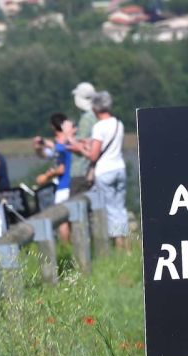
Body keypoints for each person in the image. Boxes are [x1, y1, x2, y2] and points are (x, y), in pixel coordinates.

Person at [85, 90, 127, 249]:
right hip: (120, 167)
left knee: (110, 210)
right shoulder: (118, 124)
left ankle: (119, 246)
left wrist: (82, 149)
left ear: (95, 108)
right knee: (120, 208)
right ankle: (127, 244)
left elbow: (93, 155)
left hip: (105, 170)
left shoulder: (99, 127)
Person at [35, 113, 74, 241]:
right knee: (73, 219)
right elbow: (49, 152)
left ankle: (65, 249)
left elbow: (61, 168)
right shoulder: (70, 142)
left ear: (53, 127)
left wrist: (46, 176)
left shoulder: (61, 146)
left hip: (64, 186)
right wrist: (42, 146)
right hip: (73, 184)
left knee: (62, 220)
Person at [70, 82, 98, 195]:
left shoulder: (87, 118)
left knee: (75, 202)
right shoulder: (96, 115)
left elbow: (80, 145)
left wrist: (68, 138)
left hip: (81, 171)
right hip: (91, 171)